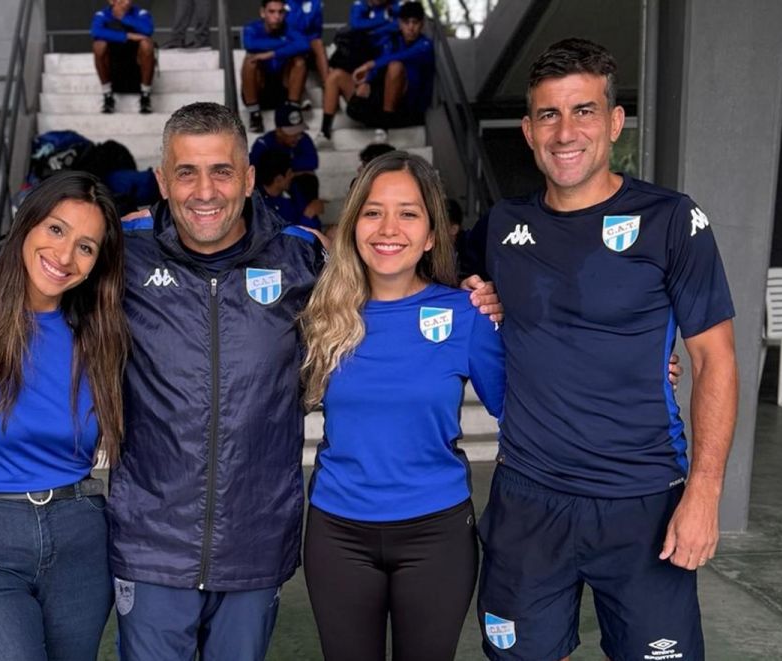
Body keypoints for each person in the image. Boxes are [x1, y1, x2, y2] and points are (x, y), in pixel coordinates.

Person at [106, 101, 502, 661]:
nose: (204, 190)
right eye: (186, 172)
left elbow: (393, 279)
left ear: (247, 179)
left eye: (221, 171)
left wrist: (477, 293)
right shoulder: (120, 255)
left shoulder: (300, 258)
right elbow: (30, 264)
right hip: (153, 542)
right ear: (161, 181)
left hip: (255, 538)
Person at [473, 38, 738, 661]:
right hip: (528, 501)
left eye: (584, 111)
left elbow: (714, 359)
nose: (566, 132)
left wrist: (703, 494)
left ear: (615, 122)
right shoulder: (500, 227)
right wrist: (486, 297)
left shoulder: (671, 220)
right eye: (549, 114)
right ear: (529, 130)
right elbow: (428, 279)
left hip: (643, 500)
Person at [300, 151, 504, 660]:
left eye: (408, 213)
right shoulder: (319, 315)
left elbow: (528, 408)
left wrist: (639, 371)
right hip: (338, 533)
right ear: (353, 226)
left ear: (433, 234)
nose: (388, 228)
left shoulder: (466, 314)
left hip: (436, 533)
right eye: (373, 211)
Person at [0, 171, 130, 661]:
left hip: (80, 534)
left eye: (86, 246)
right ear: (27, 223)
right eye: (56, 230)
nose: (64, 257)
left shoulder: (101, 333)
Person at [320, 1, 432, 144]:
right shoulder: (393, 40)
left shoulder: (425, 45)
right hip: (380, 102)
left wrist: (370, 65)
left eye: (415, 23)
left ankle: (384, 128)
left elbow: (400, 57)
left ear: (422, 24)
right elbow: (381, 54)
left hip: (405, 109)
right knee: (335, 76)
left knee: (395, 66)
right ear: (399, 24)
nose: (411, 28)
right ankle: (324, 133)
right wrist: (367, 81)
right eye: (406, 23)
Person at [241, 0, 311, 133]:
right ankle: (255, 115)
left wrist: (272, 54)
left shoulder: (290, 29)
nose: (277, 16)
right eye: (272, 12)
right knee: (250, 60)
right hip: (261, 90)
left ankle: (293, 110)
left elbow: (304, 45)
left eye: (280, 12)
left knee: (299, 60)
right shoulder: (252, 28)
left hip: (283, 90)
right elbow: (250, 44)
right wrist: (285, 44)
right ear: (263, 13)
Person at [91, 0, 156, 115]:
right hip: (113, 65)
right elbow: (96, 32)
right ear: (112, 1)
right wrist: (127, 36)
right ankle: (108, 95)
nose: (127, 2)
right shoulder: (102, 14)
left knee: (147, 43)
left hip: (136, 64)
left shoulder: (140, 13)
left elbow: (148, 30)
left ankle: (145, 96)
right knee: (98, 45)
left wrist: (123, 18)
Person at [255, 149, 321, 230]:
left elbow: (316, 226)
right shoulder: (259, 205)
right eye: (289, 173)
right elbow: (282, 239)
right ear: (278, 180)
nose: (292, 175)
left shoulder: (293, 191)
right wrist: (308, 216)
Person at [249, 104, 320, 176]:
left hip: (292, 182)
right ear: (279, 131)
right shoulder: (264, 144)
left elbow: (313, 162)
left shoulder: (303, 138)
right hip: (268, 184)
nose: (297, 137)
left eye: (299, 132)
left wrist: (280, 163)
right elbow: (253, 167)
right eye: (292, 133)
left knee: (309, 177)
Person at [286, 0, 328, 90]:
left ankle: (327, 85)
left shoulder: (315, 3)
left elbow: (317, 29)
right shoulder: (284, 3)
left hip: (308, 39)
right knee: (298, 58)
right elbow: (291, 27)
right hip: (289, 39)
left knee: (318, 44)